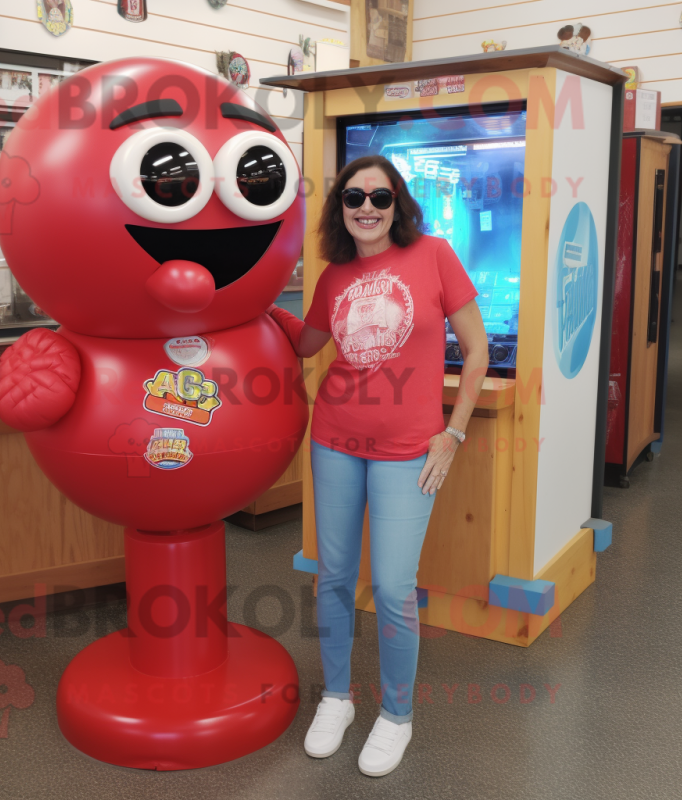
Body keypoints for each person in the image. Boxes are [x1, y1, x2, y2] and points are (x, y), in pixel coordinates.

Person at [268, 155, 489, 777]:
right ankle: (336, 699)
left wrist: (453, 432)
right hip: (335, 439)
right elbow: (308, 341)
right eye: (353, 197)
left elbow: (476, 352)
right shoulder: (334, 276)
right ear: (340, 206)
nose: (367, 207)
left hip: (410, 450)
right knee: (333, 577)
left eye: (380, 198)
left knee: (393, 588)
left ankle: (396, 716)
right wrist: (254, 303)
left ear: (399, 205)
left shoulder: (435, 255)